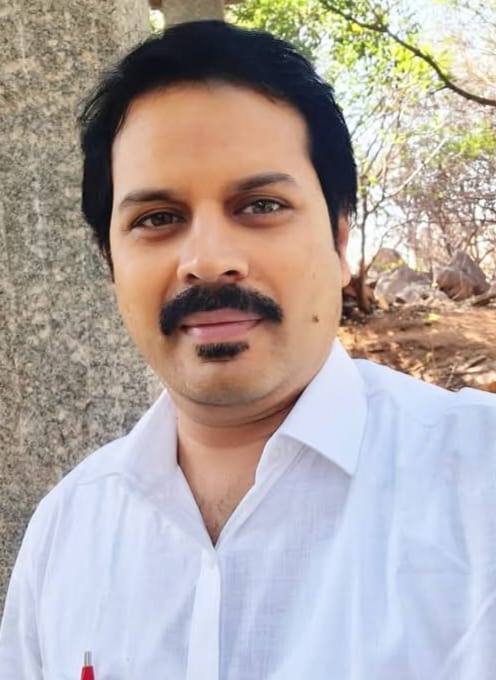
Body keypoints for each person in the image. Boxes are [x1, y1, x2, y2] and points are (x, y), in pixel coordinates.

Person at [1, 20, 495, 680]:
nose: (208, 261)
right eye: (157, 219)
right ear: (110, 263)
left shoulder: (477, 486)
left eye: (260, 205)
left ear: (340, 238)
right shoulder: (67, 532)